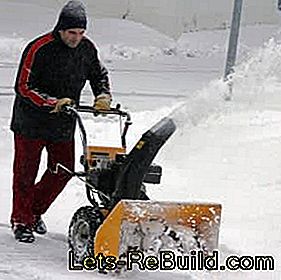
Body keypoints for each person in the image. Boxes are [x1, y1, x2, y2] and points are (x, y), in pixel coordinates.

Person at [10, 0, 112, 243]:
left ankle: (32, 210)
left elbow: (99, 74)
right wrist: (50, 102)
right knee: (25, 174)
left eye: (80, 33)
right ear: (60, 29)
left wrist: (103, 95)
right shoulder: (39, 48)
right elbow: (23, 87)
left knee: (62, 170)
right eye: (71, 33)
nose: (76, 38)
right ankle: (21, 221)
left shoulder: (86, 48)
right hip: (30, 123)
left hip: (64, 123)